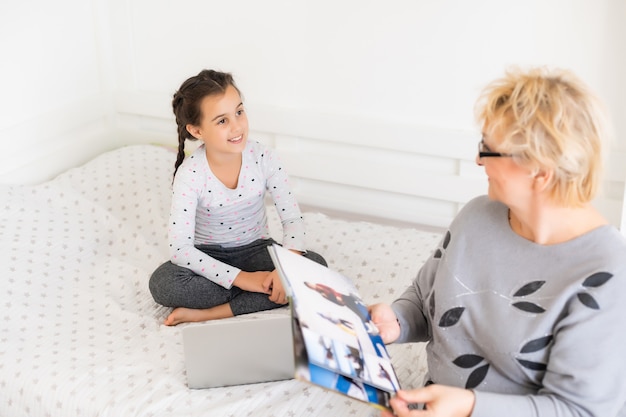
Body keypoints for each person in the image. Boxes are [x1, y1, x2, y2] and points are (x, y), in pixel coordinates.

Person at [369, 67, 626, 417]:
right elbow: (426, 298)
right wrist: (396, 320)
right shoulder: (477, 217)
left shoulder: (607, 274)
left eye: (488, 149)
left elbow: (579, 411)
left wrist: (470, 407)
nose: (478, 160)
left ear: (539, 169)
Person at [149, 69, 327, 326]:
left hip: (257, 250)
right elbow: (180, 249)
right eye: (222, 121)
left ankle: (214, 311)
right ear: (197, 130)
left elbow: (293, 221)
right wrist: (243, 279)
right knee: (162, 285)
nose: (237, 126)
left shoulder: (264, 158)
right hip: (209, 256)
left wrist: (283, 270)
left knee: (317, 267)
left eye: (239, 112)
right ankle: (261, 291)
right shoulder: (191, 174)